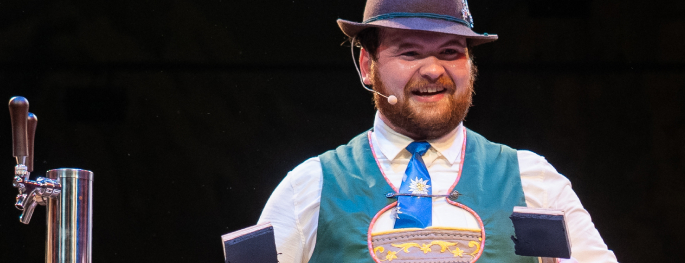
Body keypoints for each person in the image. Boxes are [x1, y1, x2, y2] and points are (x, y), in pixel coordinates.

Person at [252, 0, 618, 262]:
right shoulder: (309, 188)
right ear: (367, 66)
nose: (432, 70)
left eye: (449, 52)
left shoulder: (532, 181)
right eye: (409, 53)